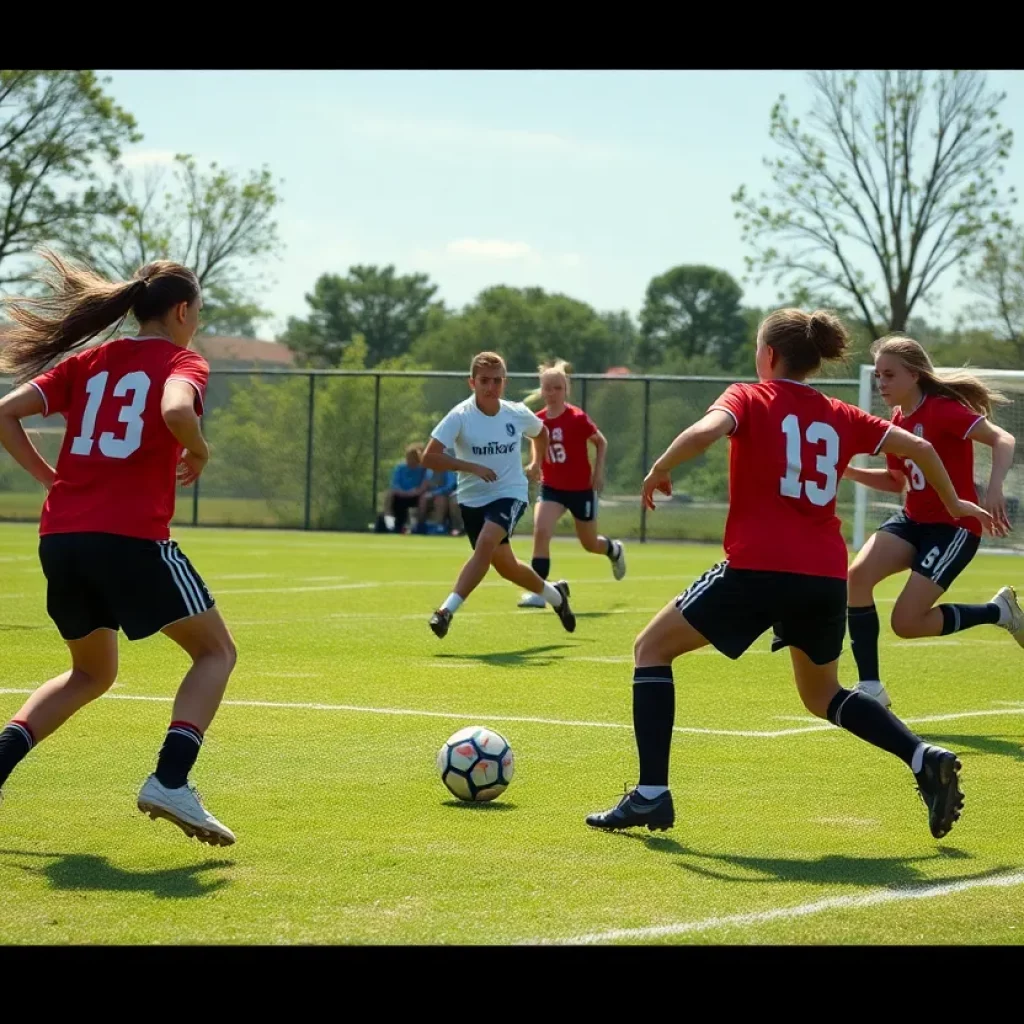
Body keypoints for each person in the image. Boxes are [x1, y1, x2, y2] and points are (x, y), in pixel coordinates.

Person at [584, 308, 1002, 841]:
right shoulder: (840, 413)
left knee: (650, 649)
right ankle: (922, 757)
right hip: (823, 576)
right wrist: (955, 501)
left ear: (769, 356)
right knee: (821, 694)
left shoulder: (749, 396)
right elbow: (918, 448)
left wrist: (661, 466)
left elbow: (706, 429)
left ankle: (650, 796)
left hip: (758, 568)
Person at [0, 249, 237, 847]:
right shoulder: (184, 360)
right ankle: (170, 779)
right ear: (182, 310)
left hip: (61, 539)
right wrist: (200, 450)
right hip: (128, 538)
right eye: (198, 312)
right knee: (216, 653)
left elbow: (4, 412)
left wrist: (50, 477)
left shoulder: (91, 360)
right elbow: (176, 407)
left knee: (90, 672)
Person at [843, 336, 1022, 707]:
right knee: (856, 578)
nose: (881, 383)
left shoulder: (942, 410)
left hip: (953, 527)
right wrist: (847, 471)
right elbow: (897, 482)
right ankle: (871, 686)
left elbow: (1003, 438)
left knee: (906, 624)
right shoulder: (897, 420)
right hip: (912, 520)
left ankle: (998, 612)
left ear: (914, 374)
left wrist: (993, 487)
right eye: (878, 375)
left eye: (889, 375)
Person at [421, 351, 576, 638]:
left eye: (497, 381)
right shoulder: (459, 416)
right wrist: (469, 467)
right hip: (471, 499)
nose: (491, 387)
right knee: (507, 568)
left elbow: (540, 434)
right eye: (484, 381)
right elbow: (429, 457)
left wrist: (536, 463)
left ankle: (445, 612)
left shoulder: (515, 412)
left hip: (510, 493)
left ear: (505, 382)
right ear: (472, 383)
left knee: (485, 545)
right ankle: (557, 596)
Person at [516, 359, 626, 608]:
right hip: (552, 487)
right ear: (541, 390)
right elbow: (538, 443)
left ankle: (614, 550)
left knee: (589, 543)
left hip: (580, 489)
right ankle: (540, 592)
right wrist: (535, 464)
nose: (552, 393)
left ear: (566, 390)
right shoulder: (538, 420)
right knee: (541, 531)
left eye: (558, 388)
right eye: (548, 388)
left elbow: (601, 442)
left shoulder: (577, 418)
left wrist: (598, 473)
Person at [377, 443, 431, 534]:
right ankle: (390, 525)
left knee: (424, 498)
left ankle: (418, 526)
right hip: (401, 494)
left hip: (416, 496)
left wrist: (414, 492)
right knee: (389, 495)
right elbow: (394, 485)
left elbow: (424, 486)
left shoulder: (424, 469)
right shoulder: (400, 468)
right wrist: (404, 493)